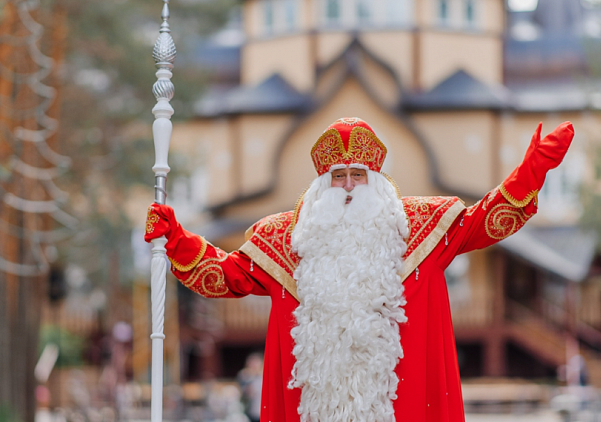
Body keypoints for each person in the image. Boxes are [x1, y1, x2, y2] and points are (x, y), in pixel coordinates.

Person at [145, 117, 574, 422]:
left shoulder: (422, 229)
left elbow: (486, 220)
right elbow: (225, 275)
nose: (349, 186)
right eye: (338, 176)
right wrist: (176, 238)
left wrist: (532, 171)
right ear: (321, 185)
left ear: (377, 179)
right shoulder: (284, 243)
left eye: (358, 175)